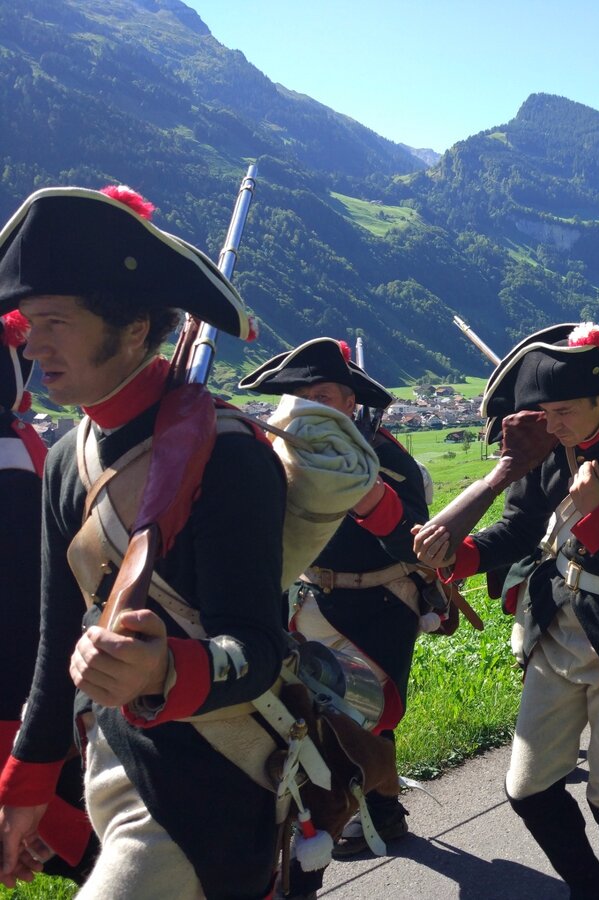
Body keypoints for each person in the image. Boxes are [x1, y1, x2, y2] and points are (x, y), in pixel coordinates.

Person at [0, 185, 288, 897]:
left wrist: (163, 671)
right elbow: (54, 638)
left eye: (55, 321)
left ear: (133, 328)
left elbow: (259, 650)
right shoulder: (71, 455)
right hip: (115, 762)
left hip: (210, 790)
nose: (32, 344)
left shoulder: (230, 454)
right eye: (28, 322)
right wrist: (27, 785)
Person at [413, 323, 599, 899]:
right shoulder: (549, 448)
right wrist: (461, 555)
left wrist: (596, 518)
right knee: (528, 787)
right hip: (553, 633)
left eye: (563, 411)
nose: (551, 423)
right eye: (545, 410)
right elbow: (518, 527)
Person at [239, 338, 431, 891]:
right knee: (318, 711)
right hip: (311, 599)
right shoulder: (278, 455)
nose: (311, 406)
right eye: (302, 397)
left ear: (350, 402)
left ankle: (382, 809)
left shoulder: (385, 458)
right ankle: (351, 806)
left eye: (323, 395)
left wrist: (363, 494)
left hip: (380, 599)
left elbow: (410, 541)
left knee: (373, 709)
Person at [0, 310, 98, 884]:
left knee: (92, 852)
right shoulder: (22, 454)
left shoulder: (12, 473)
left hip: (20, 712)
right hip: (36, 703)